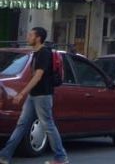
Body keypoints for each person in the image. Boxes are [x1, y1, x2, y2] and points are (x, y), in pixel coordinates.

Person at [0, 27, 69, 164]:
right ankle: (5, 155)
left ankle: (61, 157)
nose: (28, 37)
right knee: (22, 124)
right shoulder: (36, 53)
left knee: (48, 125)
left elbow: (38, 76)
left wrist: (21, 93)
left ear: (38, 38)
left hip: (43, 95)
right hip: (34, 95)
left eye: (31, 35)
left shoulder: (44, 53)